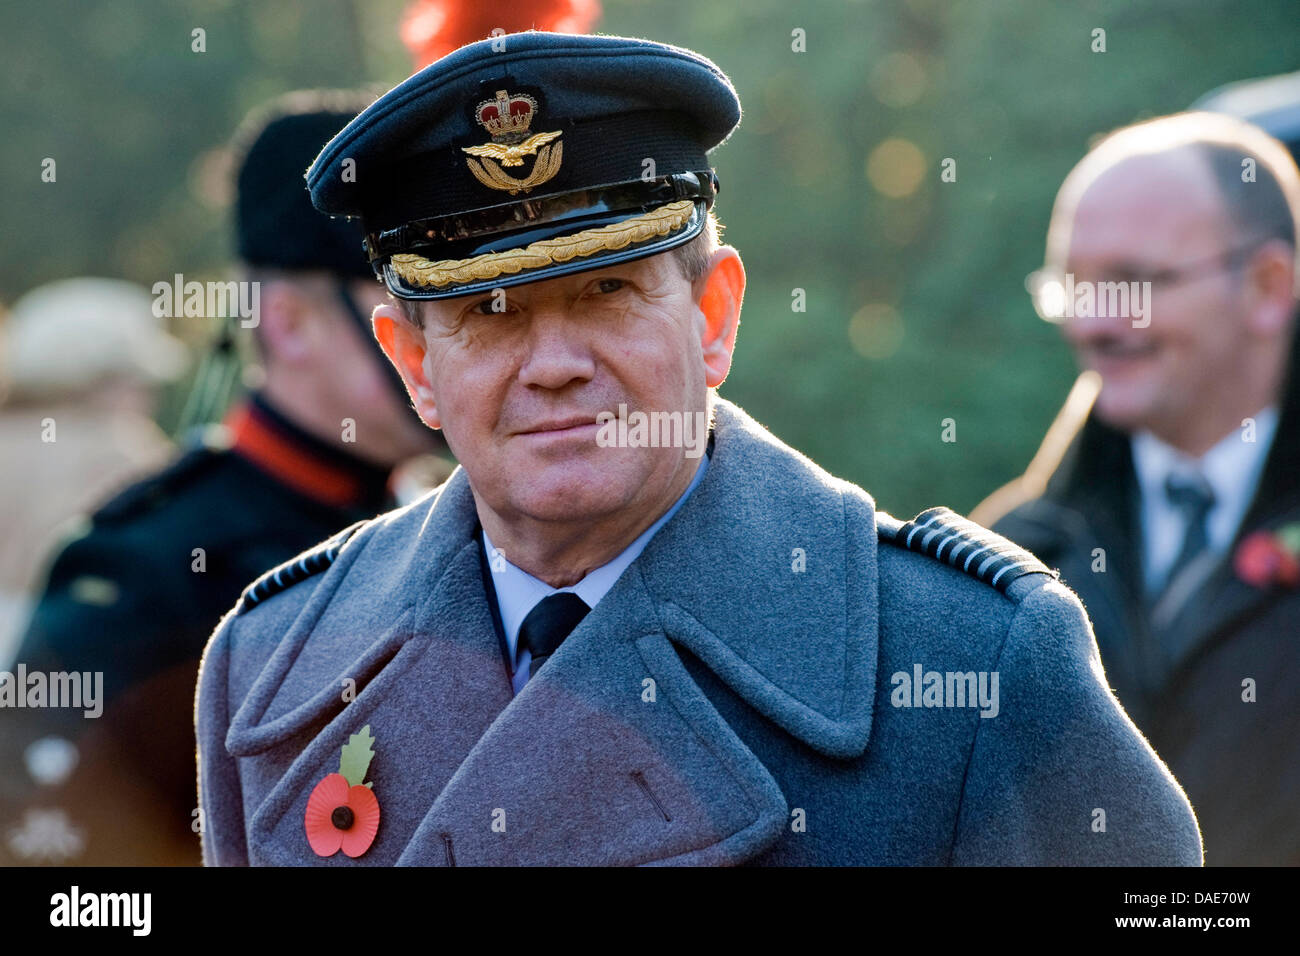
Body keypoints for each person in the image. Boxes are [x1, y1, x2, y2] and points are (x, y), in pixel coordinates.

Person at [197, 32, 1201, 866]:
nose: (552, 365)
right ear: (414, 361)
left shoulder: (971, 664)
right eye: (489, 310)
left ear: (713, 316)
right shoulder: (272, 667)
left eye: (607, 292)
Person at [1, 92, 447, 866]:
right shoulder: (148, 569)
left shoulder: (445, 522)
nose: (444, 335)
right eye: (404, 305)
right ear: (290, 324)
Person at [973, 110, 1300, 865]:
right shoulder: (1013, 558)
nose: (1093, 323)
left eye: (1131, 281)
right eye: (1071, 285)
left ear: (1268, 286)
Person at [0, 278, 183, 665]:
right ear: (98, 377)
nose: (148, 397)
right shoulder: (124, 447)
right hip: (61, 663)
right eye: (135, 380)